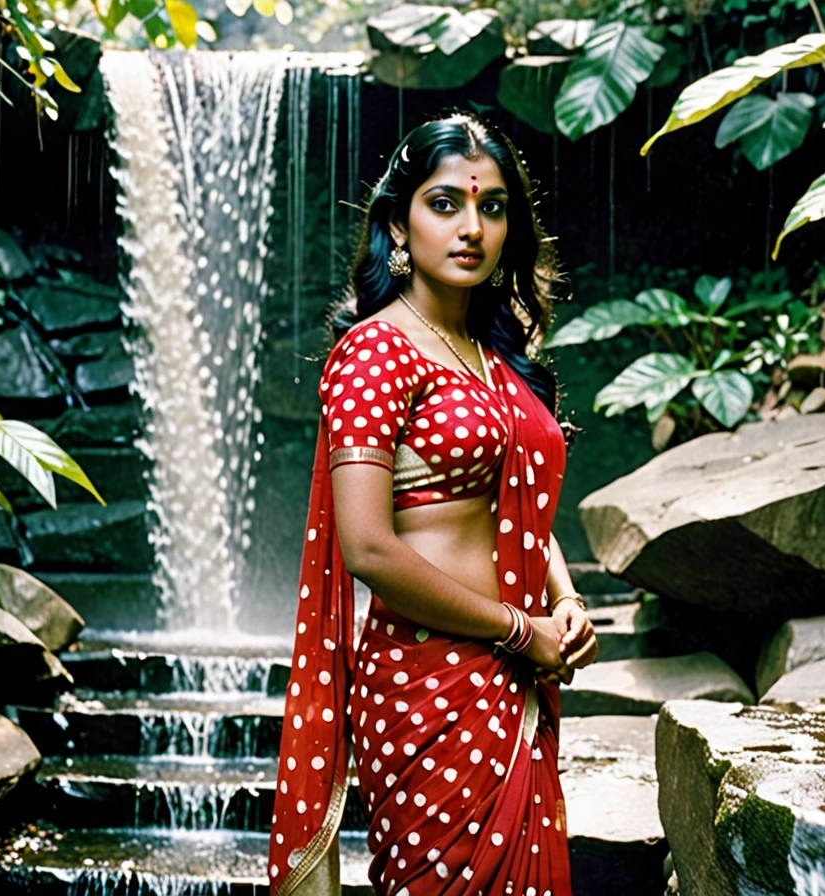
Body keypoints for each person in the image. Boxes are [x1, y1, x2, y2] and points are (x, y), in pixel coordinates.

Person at [269, 109, 598, 896]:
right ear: (396, 222)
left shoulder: (501, 359)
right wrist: (524, 631)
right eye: (444, 203)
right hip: (425, 686)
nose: (471, 227)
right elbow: (371, 550)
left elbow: (519, 511)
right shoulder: (374, 353)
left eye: (492, 208)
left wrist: (566, 597)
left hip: (515, 677)